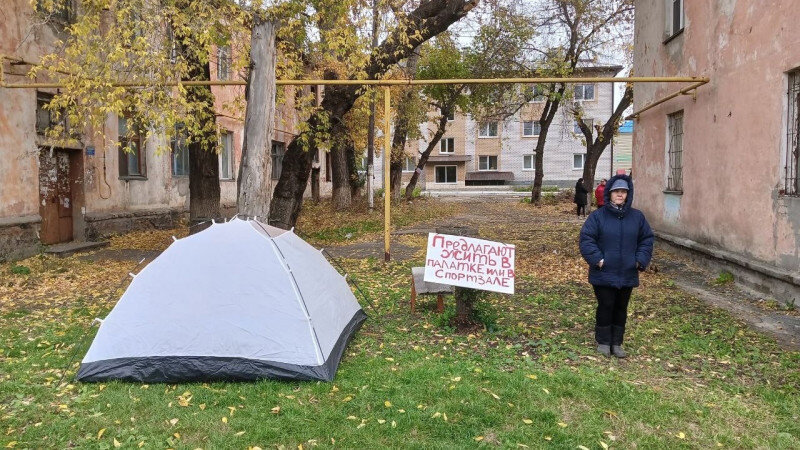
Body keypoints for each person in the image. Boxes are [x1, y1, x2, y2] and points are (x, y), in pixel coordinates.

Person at [579, 174, 654, 358]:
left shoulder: (637, 217)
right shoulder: (598, 217)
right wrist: (598, 259)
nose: (620, 195)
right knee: (606, 304)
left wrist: (639, 260)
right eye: (616, 192)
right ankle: (604, 341)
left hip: (627, 272)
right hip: (604, 272)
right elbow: (587, 239)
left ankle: (617, 343)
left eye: (623, 192)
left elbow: (646, 239)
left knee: (621, 307)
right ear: (609, 194)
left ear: (628, 194)